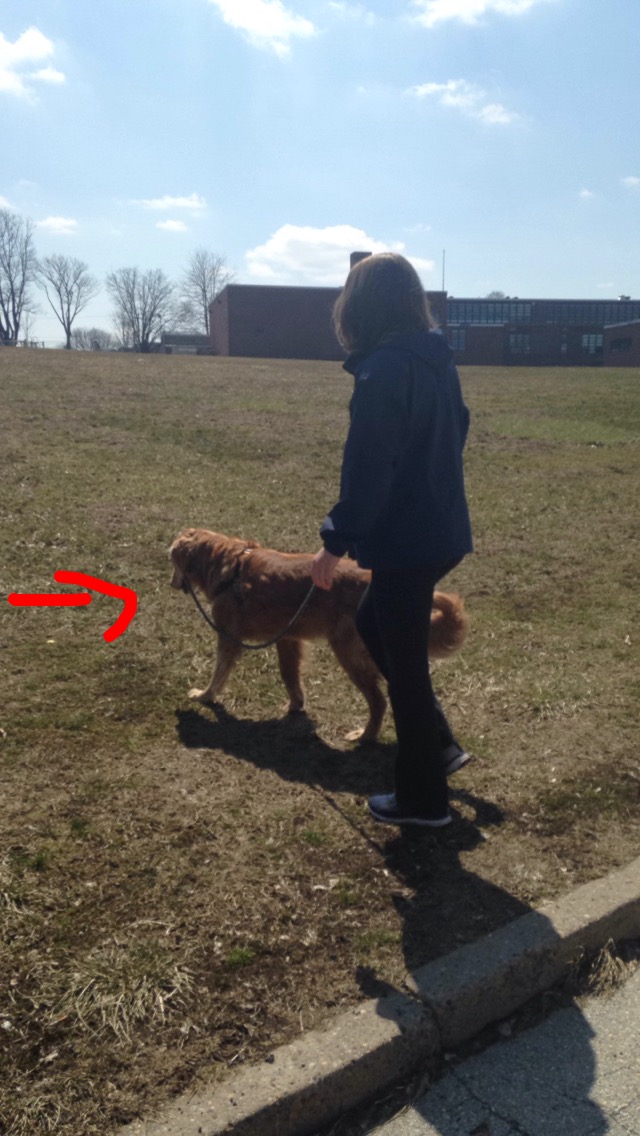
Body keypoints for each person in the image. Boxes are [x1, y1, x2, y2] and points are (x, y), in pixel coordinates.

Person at [311, 252, 473, 827]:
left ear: (360, 307)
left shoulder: (383, 369)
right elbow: (459, 426)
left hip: (411, 539)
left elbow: (370, 463)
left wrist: (335, 541)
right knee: (375, 625)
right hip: (439, 530)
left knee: (405, 671)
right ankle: (440, 744)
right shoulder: (435, 359)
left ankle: (423, 801)